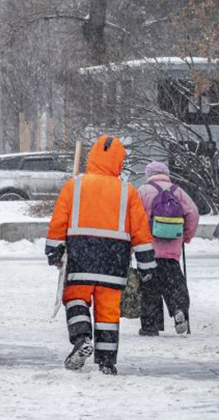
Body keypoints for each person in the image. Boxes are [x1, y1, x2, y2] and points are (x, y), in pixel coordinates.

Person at [45, 135, 156, 375]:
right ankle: (107, 361)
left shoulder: (74, 186)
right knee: (108, 312)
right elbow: (140, 231)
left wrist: (54, 250)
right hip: (113, 263)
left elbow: (59, 221)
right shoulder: (127, 192)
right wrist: (147, 264)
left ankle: (81, 338)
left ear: (93, 156)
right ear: (118, 161)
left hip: (80, 258)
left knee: (75, 300)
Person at [137, 161, 199, 336]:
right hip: (172, 249)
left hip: (148, 250)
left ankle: (150, 326)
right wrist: (185, 236)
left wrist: (134, 243)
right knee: (174, 283)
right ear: (166, 174)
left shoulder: (143, 191)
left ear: (149, 174)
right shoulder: (177, 191)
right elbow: (193, 213)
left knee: (150, 288)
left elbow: (133, 218)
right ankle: (179, 309)